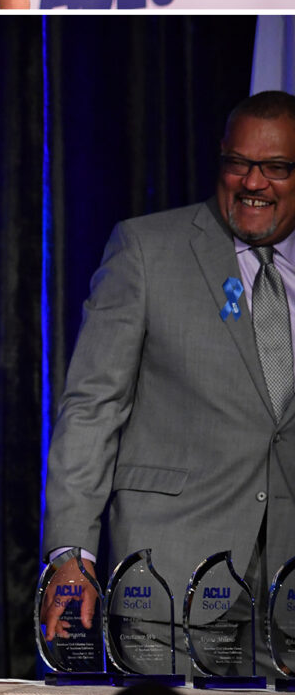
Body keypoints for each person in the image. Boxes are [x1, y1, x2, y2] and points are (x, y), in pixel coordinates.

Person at [38, 92, 295, 650]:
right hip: (167, 585)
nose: (253, 183)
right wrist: (69, 554)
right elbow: (92, 408)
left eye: (275, 168)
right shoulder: (146, 250)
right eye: (237, 163)